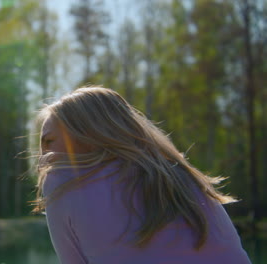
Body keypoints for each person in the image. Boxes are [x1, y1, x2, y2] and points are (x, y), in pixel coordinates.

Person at [33, 87, 251, 264]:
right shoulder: (183, 175)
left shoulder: (62, 180)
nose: (43, 153)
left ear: (86, 136)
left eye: (49, 141)